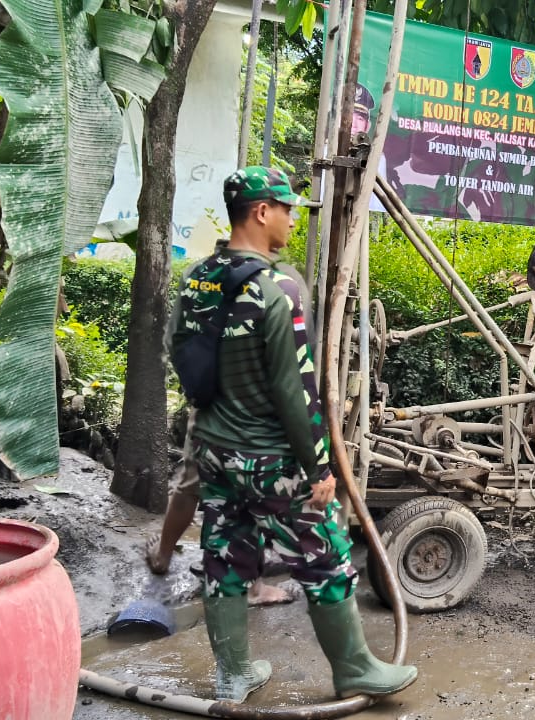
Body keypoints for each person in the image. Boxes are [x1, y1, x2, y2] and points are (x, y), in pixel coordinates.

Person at [170, 166, 416, 701]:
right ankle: (355, 670)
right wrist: (319, 467)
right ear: (261, 212)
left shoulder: (197, 278)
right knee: (326, 555)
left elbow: (180, 354)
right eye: (286, 210)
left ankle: (234, 674)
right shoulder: (277, 287)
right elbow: (295, 388)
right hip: (270, 458)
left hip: (213, 450)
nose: (292, 220)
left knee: (224, 554)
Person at [143, 414, 297, 606]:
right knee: (249, 479)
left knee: (192, 482)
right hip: (253, 417)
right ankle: (251, 587)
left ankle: (164, 555)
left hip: (208, 416)